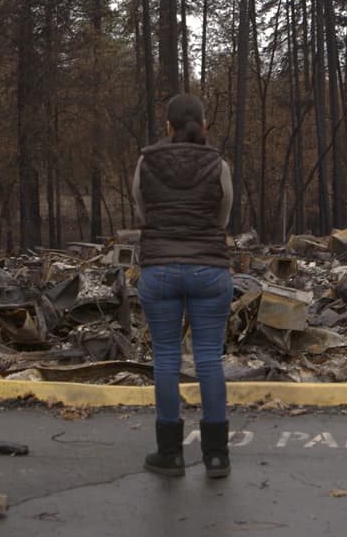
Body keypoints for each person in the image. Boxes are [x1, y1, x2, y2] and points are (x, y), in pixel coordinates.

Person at [132, 93, 234, 478]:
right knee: (209, 358)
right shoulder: (217, 163)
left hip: (159, 270)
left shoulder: (146, 162)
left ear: (167, 127)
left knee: (166, 359)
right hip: (209, 269)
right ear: (203, 126)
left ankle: (170, 454)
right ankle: (216, 456)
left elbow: (142, 209)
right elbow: (223, 214)